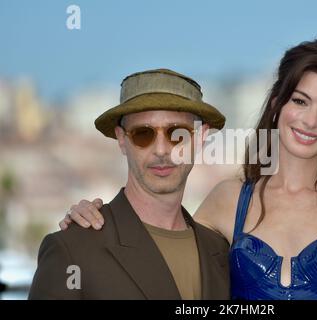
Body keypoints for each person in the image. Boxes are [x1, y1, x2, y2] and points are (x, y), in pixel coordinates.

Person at [60, 39, 317, 300]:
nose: (311, 120)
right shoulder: (229, 200)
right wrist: (92, 222)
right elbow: (158, 243)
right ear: (277, 104)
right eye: (300, 101)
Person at [29, 69, 230, 300]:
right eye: (143, 134)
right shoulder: (71, 250)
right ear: (122, 140)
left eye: (177, 134)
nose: (161, 150)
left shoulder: (220, 252)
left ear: (200, 137)